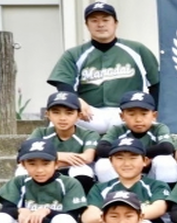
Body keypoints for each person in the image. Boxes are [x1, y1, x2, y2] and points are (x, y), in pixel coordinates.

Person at [47, 2, 159, 134]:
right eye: (94, 21)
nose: (100, 25)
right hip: (91, 114)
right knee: (57, 121)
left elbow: (156, 83)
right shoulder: (74, 54)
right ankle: (44, 147)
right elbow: (63, 82)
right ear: (87, 25)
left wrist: (151, 110)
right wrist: (76, 100)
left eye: (105, 20)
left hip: (128, 113)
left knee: (151, 126)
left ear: (115, 23)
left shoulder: (137, 49)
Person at [82, 137, 172, 223]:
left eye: (133, 158)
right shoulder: (101, 188)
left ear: (145, 161)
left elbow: (158, 209)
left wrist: (121, 219)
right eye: (119, 158)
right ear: (111, 161)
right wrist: (115, 222)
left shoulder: (156, 185)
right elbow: (88, 216)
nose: (126, 163)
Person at [95, 91, 177, 185]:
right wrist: (136, 157)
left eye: (144, 114)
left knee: (165, 161)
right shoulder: (118, 129)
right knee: (103, 164)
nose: (138, 120)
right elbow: (101, 149)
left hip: (150, 173)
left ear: (154, 115)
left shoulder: (158, 128)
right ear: (122, 116)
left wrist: (136, 156)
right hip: (124, 169)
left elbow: (167, 148)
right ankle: (114, 192)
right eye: (131, 114)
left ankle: (165, 193)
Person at [24, 91, 100, 195]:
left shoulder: (88, 134)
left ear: (79, 115)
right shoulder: (41, 132)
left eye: (69, 113)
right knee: (22, 170)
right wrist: (60, 156)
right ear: (47, 114)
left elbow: (87, 157)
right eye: (56, 112)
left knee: (82, 169)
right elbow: (26, 154)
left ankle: (78, 203)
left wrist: (48, 158)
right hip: (47, 170)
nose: (62, 118)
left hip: (71, 170)